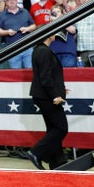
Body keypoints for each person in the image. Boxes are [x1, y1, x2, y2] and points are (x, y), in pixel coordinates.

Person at [27, 33, 68, 170]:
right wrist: (55, 95)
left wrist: (60, 89)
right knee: (61, 128)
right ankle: (36, 152)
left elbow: (47, 76)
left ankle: (57, 162)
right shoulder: (43, 51)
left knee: (53, 128)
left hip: (44, 95)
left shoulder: (40, 49)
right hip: (46, 97)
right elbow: (45, 77)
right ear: (48, 35)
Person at [0, 0, 36, 68]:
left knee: (30, 71)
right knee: (16, 72)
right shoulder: (2, 15)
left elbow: (33, 26)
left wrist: (27, 29)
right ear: (6, 3)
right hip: (12, 48)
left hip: (27, 46)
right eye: (9, 0)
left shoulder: (25, 12)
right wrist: (7, 32)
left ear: (16, 1)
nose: (11, 1)